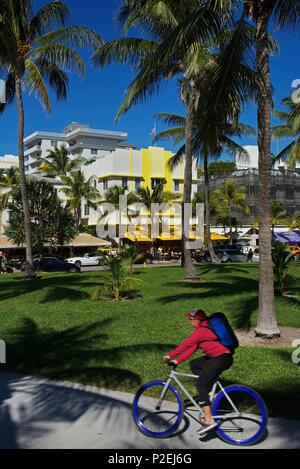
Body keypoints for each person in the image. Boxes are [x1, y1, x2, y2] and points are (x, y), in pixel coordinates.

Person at [164, 309, 233, 435]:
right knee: (194, 364)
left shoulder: (201, 331)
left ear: (197, 320)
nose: (189, 321)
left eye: (190, 318)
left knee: (201, 384)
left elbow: (186, 344)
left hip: (222, 358)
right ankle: (209, 392)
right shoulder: (202, 330)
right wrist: (178, 361)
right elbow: (192, 348)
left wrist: (170, 355)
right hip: (218, 357)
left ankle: (209, 420)